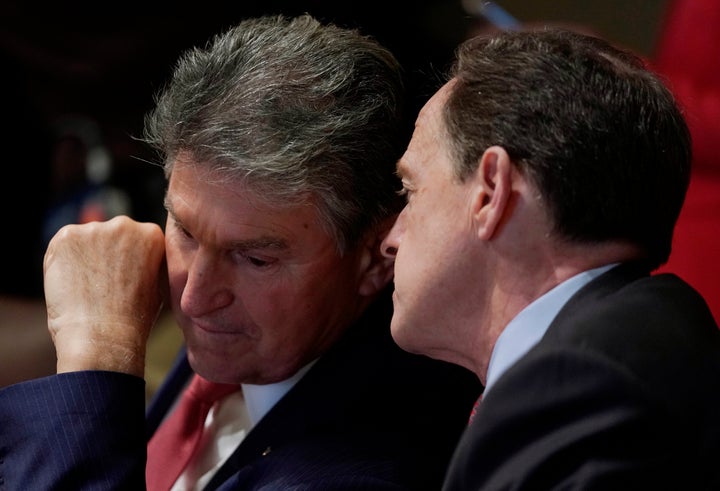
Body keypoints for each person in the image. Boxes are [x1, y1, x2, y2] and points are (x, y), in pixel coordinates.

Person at [0, 14, 481, 490]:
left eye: (255, 259)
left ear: (376, 257)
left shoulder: (373, 468)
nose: (193, 298)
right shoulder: (255, 339)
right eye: (185, 231)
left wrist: (97, 355)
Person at [381, 27, 720, 490]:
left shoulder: (580, 391)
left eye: (410, 190)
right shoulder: (642, 344)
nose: (390, 238)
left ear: (490, 193)